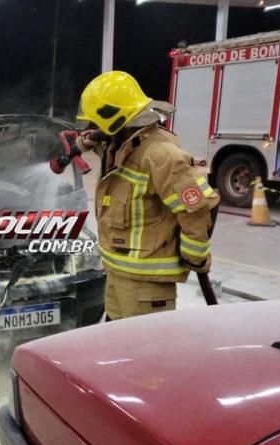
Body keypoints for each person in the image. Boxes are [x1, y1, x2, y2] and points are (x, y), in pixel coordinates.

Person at [74, 71, 220, 320]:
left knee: (142, 355)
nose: (94, 130)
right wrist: (85, 141)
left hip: (146, 285)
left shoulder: (161, 155)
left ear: (115, 118)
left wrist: (195, 256)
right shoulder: (122, 145)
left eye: (97, 124)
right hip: (116, 274)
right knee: (117, 350)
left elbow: (195, 208)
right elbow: (105, 147)